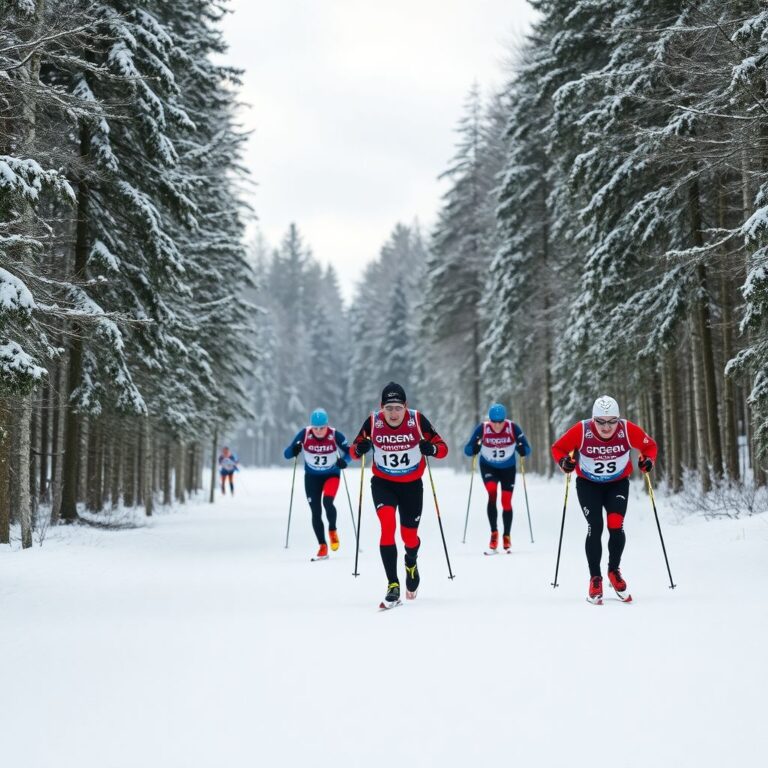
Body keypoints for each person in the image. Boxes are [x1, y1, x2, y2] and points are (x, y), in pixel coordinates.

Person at [551, 395, 657, 604]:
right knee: (595, 526)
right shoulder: (582, 430)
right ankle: (595, 578)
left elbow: (650, 446)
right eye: (601, 421)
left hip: (617, 483)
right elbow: (558, 448)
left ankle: (613, 571)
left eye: (611, 421)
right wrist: (564, 462)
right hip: (588, 484)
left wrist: (648, 460)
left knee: (616, 524)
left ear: (618, 419)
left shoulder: (627, 430)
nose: (607, 427)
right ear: (593, 420)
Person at [350, 381, 448, 609]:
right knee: (387, 526)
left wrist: (431, 449)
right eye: (389, 408)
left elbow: (443, 448)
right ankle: (392, 584)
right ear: (381, 407)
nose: (393, 413)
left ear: (406, 406)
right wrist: (359, 449)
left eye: (398, 408)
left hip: (412, 485)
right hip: (383, 483)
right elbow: (353, 452)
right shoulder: (373, 422)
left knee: (409, 538)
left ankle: (411, 561)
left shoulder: (417, 420)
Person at [283, 408, 351, 560]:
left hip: (331, 475)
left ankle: (332, 530)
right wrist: (294, 450)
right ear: (311, 426)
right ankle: (322, 545)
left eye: (322, 428)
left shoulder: (334, 435)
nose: (319, 431)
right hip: (312, 477)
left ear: (327, 425)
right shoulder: (305, 434)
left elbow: (351, 452)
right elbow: (286, 454)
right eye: (316, 428)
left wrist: (344, 461)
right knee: (315, 511)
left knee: (328, 502)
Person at [463, 403, 531, 554]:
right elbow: (467, 449)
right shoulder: (483, 428)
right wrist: (475, 447)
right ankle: (494, 533)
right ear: (490, 420)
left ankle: (506, 535)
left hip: (508, 468)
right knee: (492, 493)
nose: (497, 425)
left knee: (506, 501)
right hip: (489, 467)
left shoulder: (513, 428)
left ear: (505, 420)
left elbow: (527, 449)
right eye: (494, 421)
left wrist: (521, 449)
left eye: (500, 422)